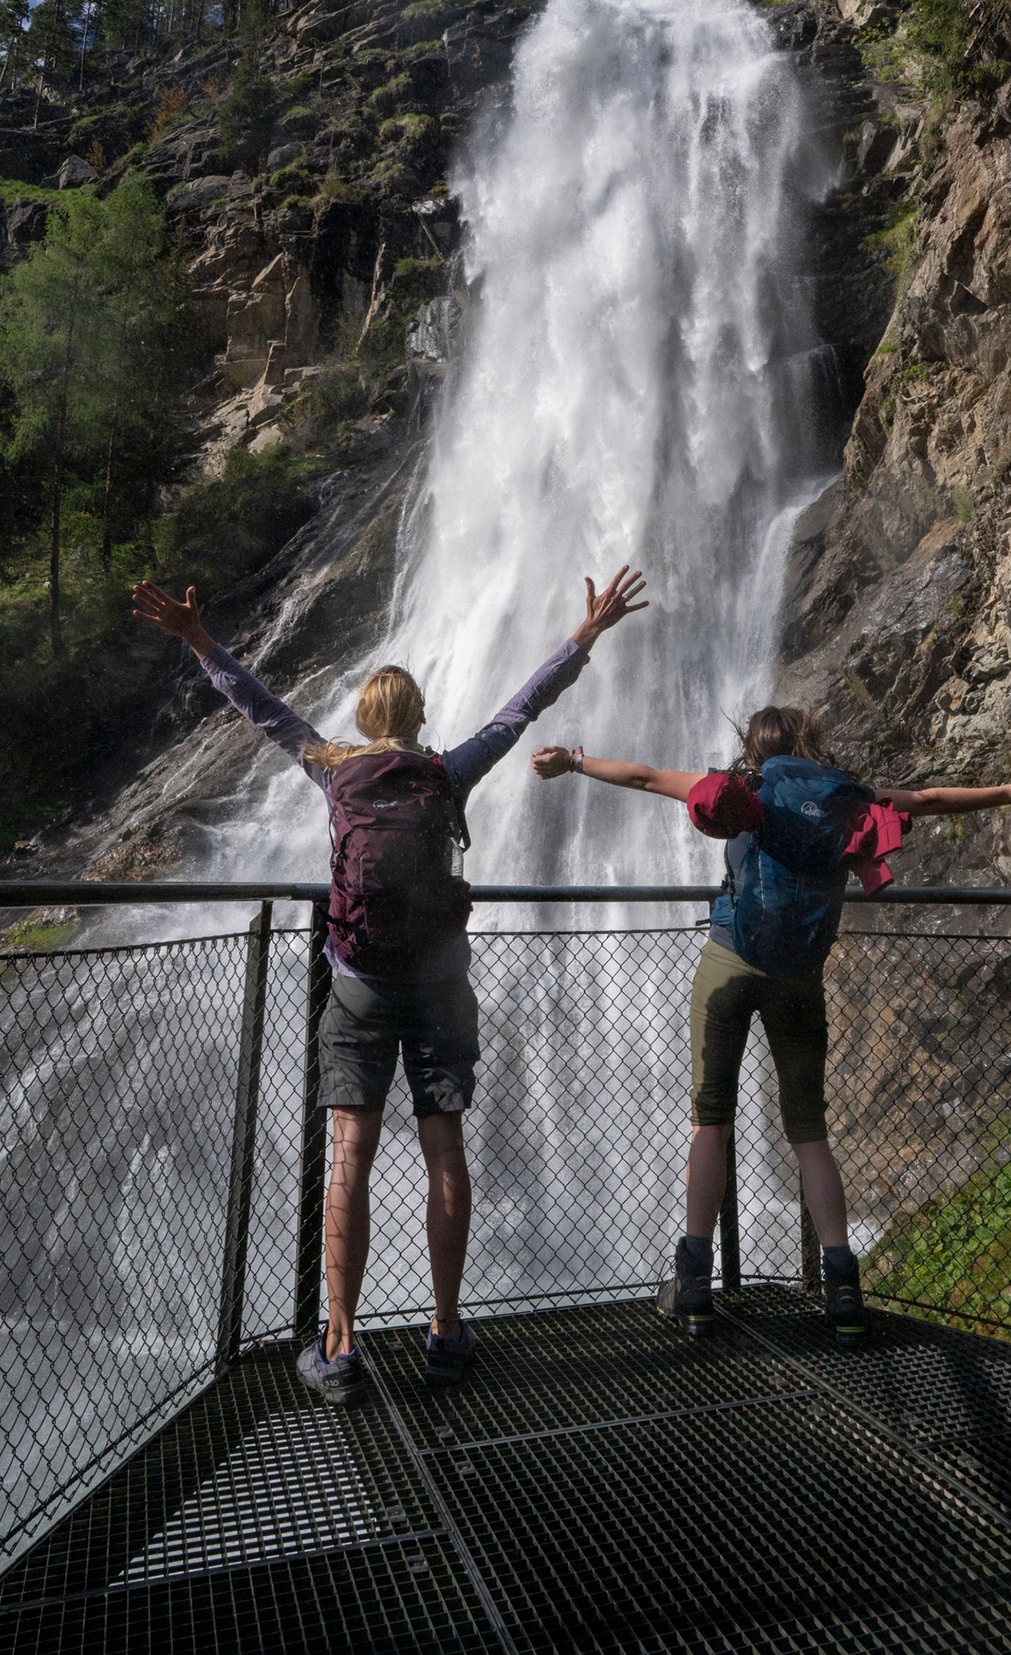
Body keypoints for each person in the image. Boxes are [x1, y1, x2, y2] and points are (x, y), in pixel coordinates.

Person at [132, 565, 648, 1399]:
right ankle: (446, 1331)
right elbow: (523, 708)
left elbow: (263, 711)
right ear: (417, 721)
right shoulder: (448, 771)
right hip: (442, 981)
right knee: (446, 1150)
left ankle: (339, 1346)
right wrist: (584, 636)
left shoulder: (335, 770)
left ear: (365, 720)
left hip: (359, 983)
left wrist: (200, 644)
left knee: (350, 1157)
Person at [532, 706, 1011, 1346]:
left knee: (711, 1119)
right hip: (799, 974)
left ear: (755, 747)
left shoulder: (742, 790)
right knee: (809, 1131)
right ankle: (843, 1293)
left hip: (731, 958)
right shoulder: (846, 799)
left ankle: (694, 1288)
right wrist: (1008, 791)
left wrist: (575, 761)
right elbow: (930, 797)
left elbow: (642, 777)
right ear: (811, 742)